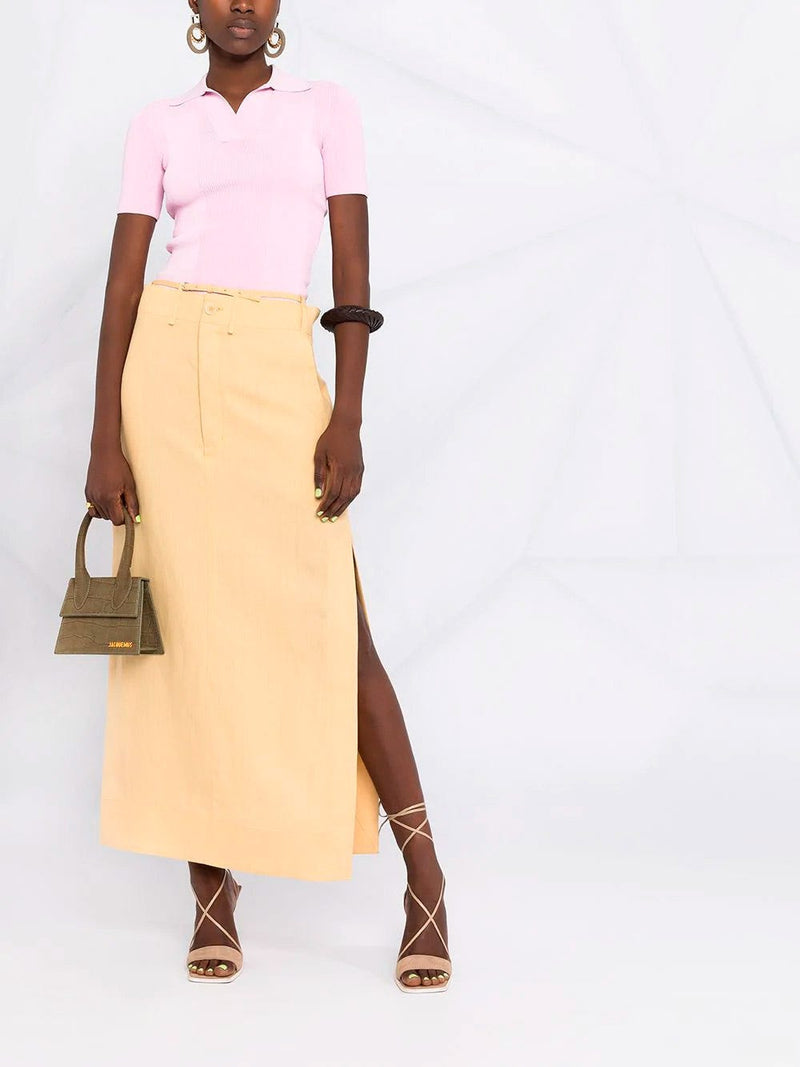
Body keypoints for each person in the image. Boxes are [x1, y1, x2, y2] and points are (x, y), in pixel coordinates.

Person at [83, 1, 452, 992]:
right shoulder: (160, 123)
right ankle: (212, 891)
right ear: (193, 6)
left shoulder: (325, 108)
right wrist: (104, 438)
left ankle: (425, 878)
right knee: (190, 636)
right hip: (167, 374)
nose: (241, 5)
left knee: (337, 629)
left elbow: (351, 274)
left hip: (279, 372)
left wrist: (347, 413)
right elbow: (122, 288)